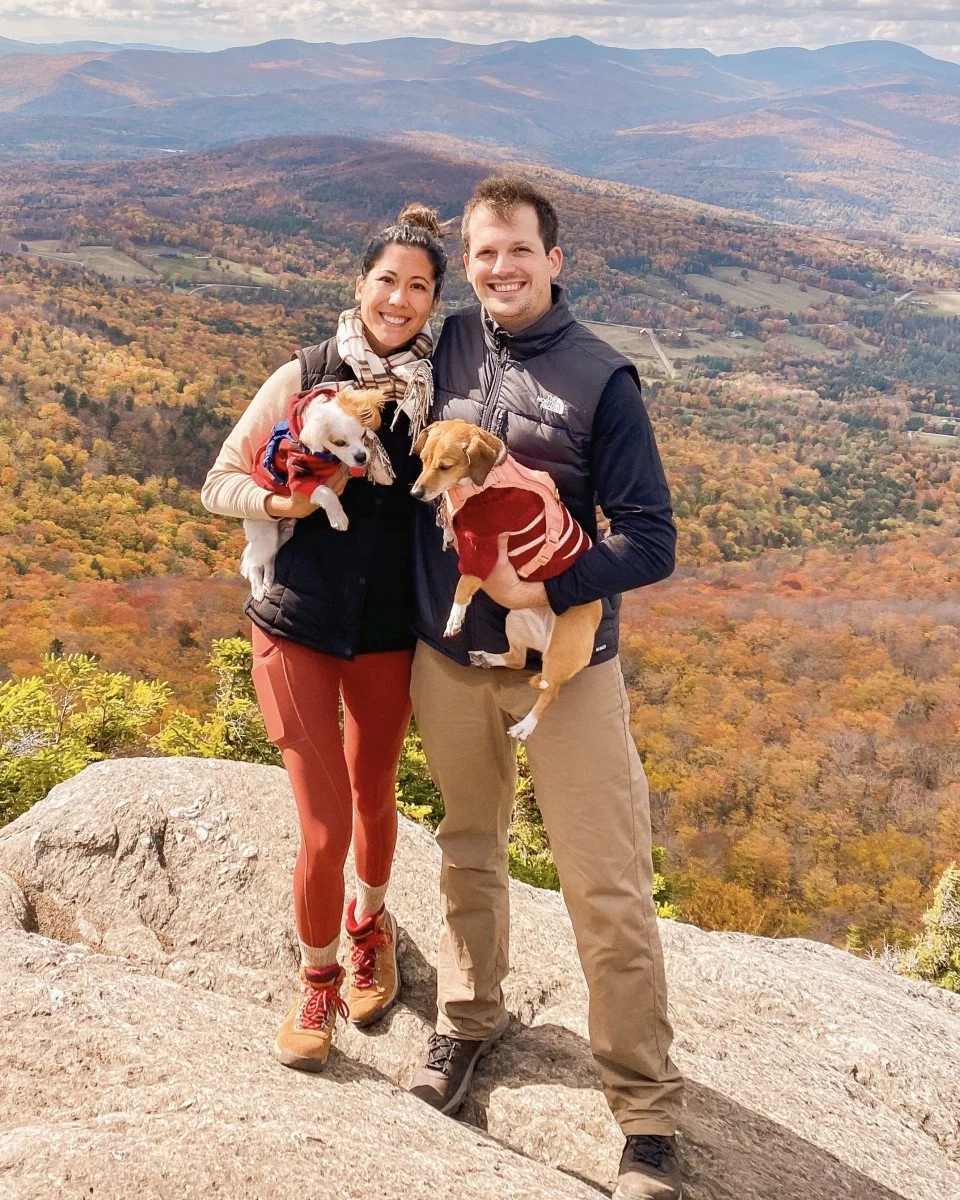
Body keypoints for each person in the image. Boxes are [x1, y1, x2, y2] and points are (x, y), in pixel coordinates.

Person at [408, 177, 684, 1200]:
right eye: (483, 252)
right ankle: (467, 1026)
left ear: (553, 258)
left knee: (606, 890)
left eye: (518, 250)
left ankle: (646, 1113)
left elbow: (650, 540)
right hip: (450, 663)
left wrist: (550, 582)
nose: (500, 268)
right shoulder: (451, 346)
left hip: (565, 677)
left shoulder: (601, 378)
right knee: (467, 852)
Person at [201, 204, 446, 1071]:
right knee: (322, 826)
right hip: (296, 626)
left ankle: (368, 923)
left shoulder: (440, 396)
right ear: (360, 284)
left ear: (433, 302)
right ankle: (318, 980)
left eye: (418, 286)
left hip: (388, 633)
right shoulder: (304, 374)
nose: (399, 298)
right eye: (388, 279)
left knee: (375, 794)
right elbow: (218, 483)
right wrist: (286, 504)